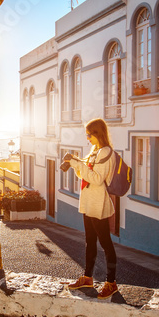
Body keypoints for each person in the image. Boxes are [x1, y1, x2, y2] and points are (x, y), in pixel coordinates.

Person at [62, 118, 119, 300]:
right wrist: (75, 164)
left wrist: (78, 164)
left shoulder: (106, 152)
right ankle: (87, 277)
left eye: (89, 135)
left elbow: (96, 178)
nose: (87, 138)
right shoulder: (95, 151)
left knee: (106, 243)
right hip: (88, 202)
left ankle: (111, 283)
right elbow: (84, 173)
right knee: (90, 241)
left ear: (97, 134)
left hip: (98, 203)